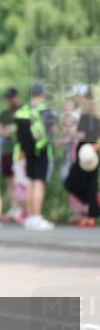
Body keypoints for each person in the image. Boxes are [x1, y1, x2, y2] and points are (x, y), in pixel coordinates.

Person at [14, 83, 57, 230]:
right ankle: (37, 217)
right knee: (39, 182)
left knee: (30, 182)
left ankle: (31, 217)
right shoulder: (45, 110)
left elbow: (19, 135)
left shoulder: (22, 111)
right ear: (42, 94)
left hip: (28, 151)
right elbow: (52, 131)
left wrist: (23, 153)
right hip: (42, 150)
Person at [64, 89, 100, 227]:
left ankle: (92, 215)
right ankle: (94, 205)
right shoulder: (84, 117)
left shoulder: (94, 117)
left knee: (89, 184)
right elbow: (81, 136)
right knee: (73, 183)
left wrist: (93, 148)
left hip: (90, 155)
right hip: (82, 154)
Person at [0, 88, 23, 221]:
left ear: (17, 97)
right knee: (9, 181)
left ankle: (21, 208)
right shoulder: (4, 114)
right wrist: (9, 129)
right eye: (8, 98)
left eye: (12, 97)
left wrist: (12, 128)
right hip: (6, 150)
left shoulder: (23, 111)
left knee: (19, 180)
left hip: (19, 150)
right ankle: (13, 207)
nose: (10, 100)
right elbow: (0, 131)